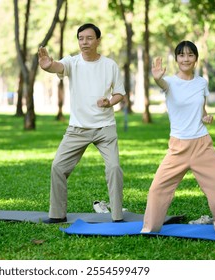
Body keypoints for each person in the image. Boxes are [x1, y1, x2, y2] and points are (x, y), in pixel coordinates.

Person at [140, 41, 215, 240]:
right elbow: (163, 85)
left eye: (190, 55)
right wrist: (157, 79)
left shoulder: (202, 83)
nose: (186, 59)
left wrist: (206, 117)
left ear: (195, 58)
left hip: (202, 144)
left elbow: (202, 110)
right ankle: (149, 228)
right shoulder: (168, 82)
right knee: (157, 188)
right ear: (176, 59)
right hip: (178, 147)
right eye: (181, 55)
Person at [38, 23, 126, 223]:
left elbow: (120, 93)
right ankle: (57, 215)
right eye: (80, 38)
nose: (84, 42)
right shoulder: (73, 62)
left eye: (89, 38)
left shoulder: (110, 65)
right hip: (77, 129)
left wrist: (109, 102)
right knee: (58, 167)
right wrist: (48, 65)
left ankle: (117, 216)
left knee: (114, 168)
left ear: (97, 40)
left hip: (105, 128)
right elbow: (57, 66)